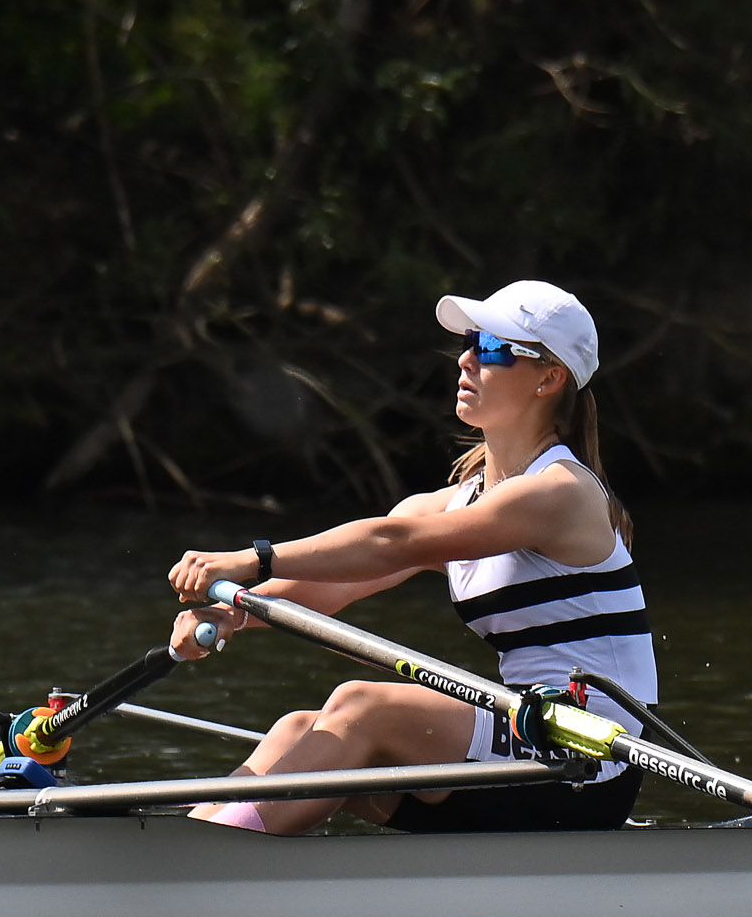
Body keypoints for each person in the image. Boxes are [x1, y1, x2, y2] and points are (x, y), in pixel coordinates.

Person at [166, 280, 657, 835]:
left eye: (493, 347)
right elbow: (337, 584)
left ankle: (213, 855)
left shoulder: (560, 492)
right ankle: (195, 835)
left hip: (590, 757)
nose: (467, 359)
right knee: (300, 727)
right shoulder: (462, 497)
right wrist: (235, 612)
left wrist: (254, 560)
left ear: (549, 379)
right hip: (531, 735)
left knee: (363, 707)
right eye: (470, 341)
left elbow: (391, 542)